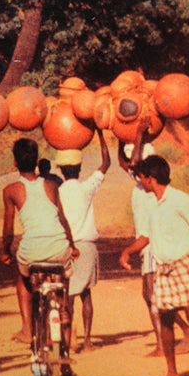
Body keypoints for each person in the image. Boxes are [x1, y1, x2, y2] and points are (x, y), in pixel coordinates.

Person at [120, 154, 189, 376]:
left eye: (142, 178)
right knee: (165, 319)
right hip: (162, 267)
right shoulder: (150, 205)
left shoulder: (181, 200)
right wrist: (127, 251)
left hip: (183, 262)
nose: (141, 182)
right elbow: (145, 237)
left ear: (151, 179)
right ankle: (172, 372)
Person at [1, 137, 79, 376]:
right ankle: (63, 316)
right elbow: (62, 218)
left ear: (15, 162)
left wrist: (5, 250)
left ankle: (27, 327)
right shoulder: (51, 185)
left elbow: (8, 229)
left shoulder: (11, 190)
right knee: (63, 289)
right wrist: (72, 245)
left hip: (32, 250)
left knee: (22, 279)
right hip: (58, 247)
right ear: (37, 161)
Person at [118, 132, 189, 357]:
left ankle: (167, 341)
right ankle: (176, 334)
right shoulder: (141, 185)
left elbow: (132, 163)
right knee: (150, 295)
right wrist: (119, 136)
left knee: (153, 294)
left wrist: (139, 135)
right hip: (147, 246)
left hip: (153, 245)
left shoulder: (150, 189)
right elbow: (125, 163)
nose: (133, 169)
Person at [56, 127, 110, 352]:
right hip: (86, 248)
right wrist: (100, 134)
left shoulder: (56, 192)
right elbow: (106, 162)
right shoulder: (87, 188)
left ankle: (67, 340)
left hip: (66, 247)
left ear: (61, 170)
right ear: (79, 169)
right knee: (86, 294)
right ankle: (87, 341)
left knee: (67, 295)